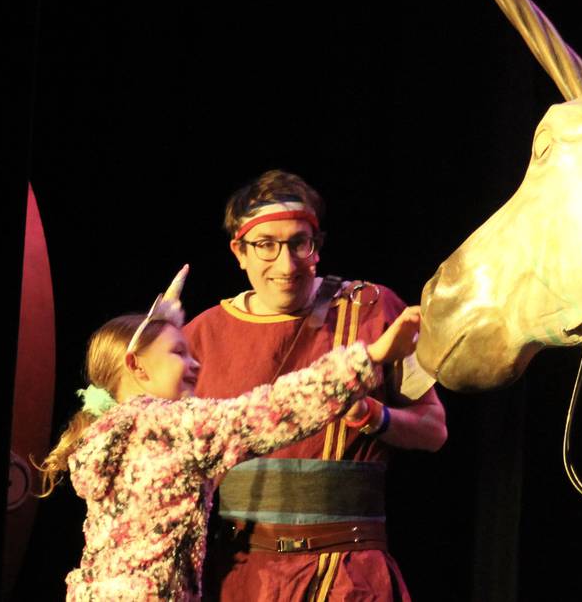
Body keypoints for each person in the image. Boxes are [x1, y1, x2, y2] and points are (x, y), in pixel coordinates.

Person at [38, 265, 421, 601]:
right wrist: (371, 356)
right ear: (136, 366)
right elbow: (274, 410)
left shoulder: (103, 432)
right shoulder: (169, 426)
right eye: (178, 353)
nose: (194, 363)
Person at [184, 170, 447, 601]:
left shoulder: (374, 311)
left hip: (348, 575)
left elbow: (434, 429)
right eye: (266, 245)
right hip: (239, 579)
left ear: (317, 246)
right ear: (239, 251)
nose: (286, 265)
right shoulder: (200, 337)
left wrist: (373, 415)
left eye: (298, 243)